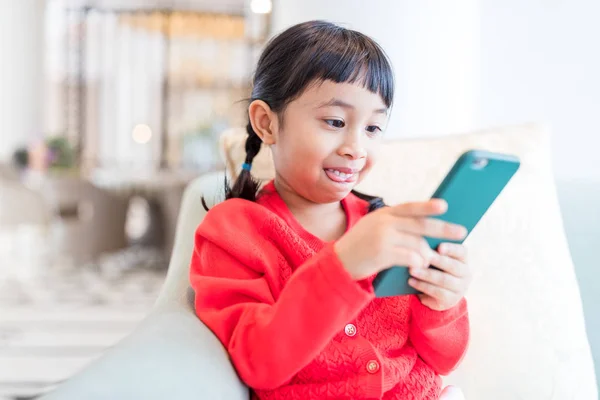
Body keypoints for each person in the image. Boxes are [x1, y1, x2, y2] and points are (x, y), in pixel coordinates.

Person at [190, 20, 472, 400]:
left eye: (373, 128)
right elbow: (257, 361)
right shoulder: (236, 231)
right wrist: (344, 264)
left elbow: (442, 358)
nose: (356, 147)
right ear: (266, 123)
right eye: (335, 122)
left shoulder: (385, 225)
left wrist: (444, 305)